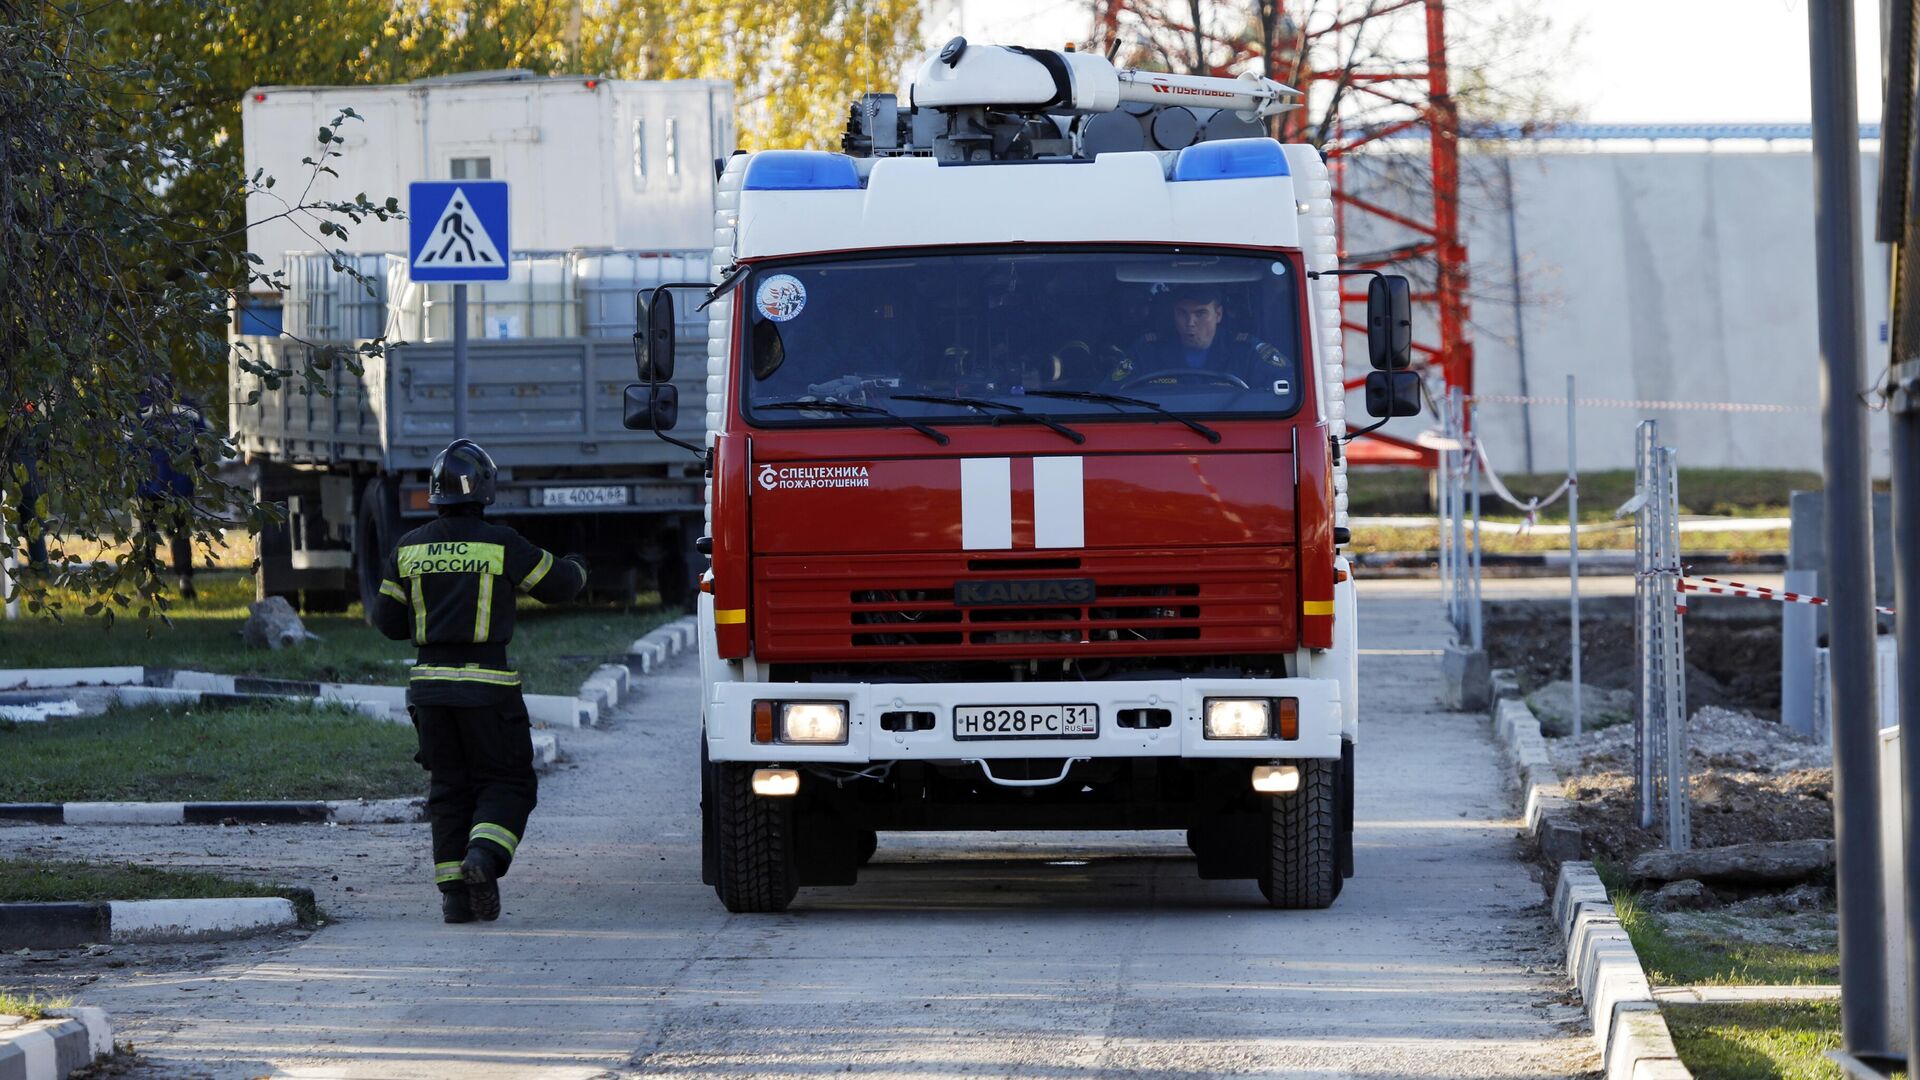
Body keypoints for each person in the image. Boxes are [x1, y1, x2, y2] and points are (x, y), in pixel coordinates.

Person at [369, 439, 588, 924]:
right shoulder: (501, 543)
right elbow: (560, 586)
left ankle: (453, 897)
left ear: (435, 492)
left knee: (448, 789)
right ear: (485, 490)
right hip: (488, 689)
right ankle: (483, 858)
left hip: (429, 691)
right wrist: (579, 566)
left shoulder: (407, 549)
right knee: (508, 781)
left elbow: (387, 622)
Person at [1115, 284, 1294, 391]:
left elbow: (1290, 392)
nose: (1190, 322)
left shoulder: (1247, 352)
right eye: (1182, 313)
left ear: (1218, 314)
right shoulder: (1147, 351)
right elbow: (1109, 395)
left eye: (1200, 313)